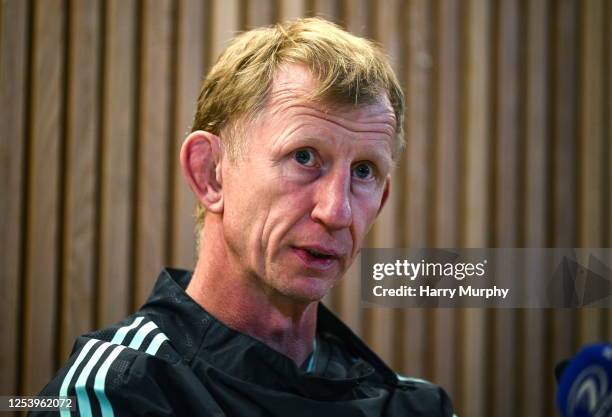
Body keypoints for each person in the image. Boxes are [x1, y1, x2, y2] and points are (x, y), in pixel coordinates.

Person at [32, 18, 455, 417]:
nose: (337, 211)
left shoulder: (415, 406)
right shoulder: (113, 392)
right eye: (304, 157)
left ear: (381, 200)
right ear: (210, 174)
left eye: (363, 171)